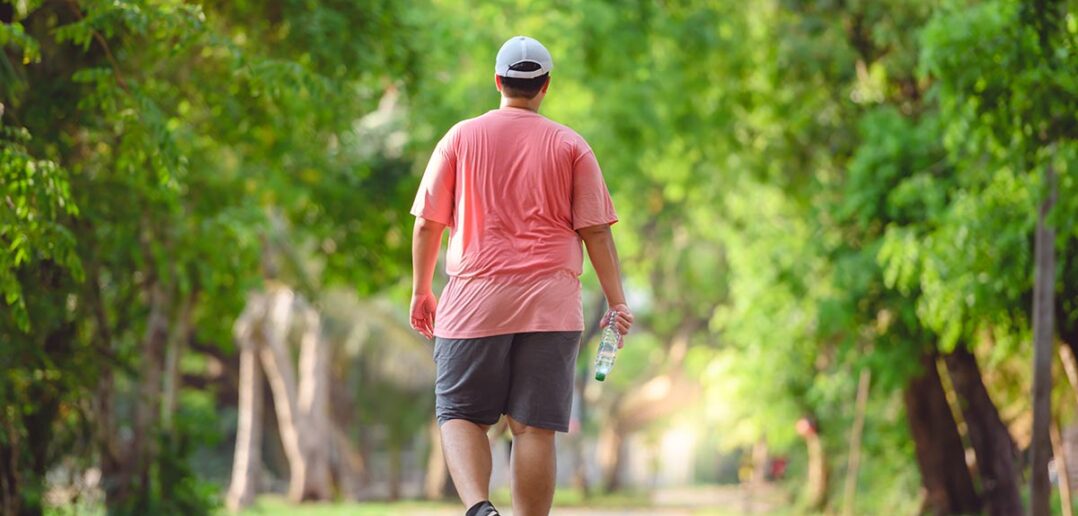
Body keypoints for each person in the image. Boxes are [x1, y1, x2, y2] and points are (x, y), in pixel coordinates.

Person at [409, 35, 633, 516]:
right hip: (551, 308)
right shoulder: (571, 145)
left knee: (460, 414)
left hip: (473, 305)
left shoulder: (460, 138)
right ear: (545, 86)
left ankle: (479, 509)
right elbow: (597, 233)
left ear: (497, 81)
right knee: (533, 428)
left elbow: (428, 223)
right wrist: (617, 303)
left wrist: (422, 290)